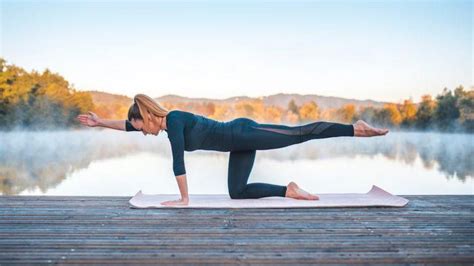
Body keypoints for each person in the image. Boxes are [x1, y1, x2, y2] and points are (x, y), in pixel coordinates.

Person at [77, 94, 388, 206]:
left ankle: (354, 129)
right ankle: (288, 190)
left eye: (140, 126)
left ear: (146, 117)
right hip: (237, 146)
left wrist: (184, 200)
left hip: (244, 132)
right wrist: (99, 122)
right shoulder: (165, 124)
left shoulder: (172, 122)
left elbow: (177, 162)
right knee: (237, 192)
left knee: (298, 134)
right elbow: (127, 125)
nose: (141, 132)